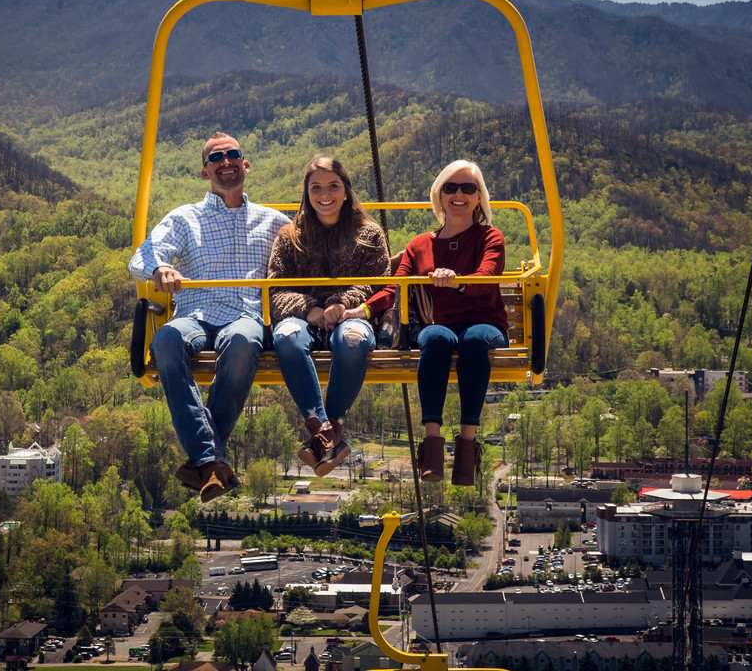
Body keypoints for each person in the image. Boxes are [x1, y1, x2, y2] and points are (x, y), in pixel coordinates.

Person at [129, 132, 289, 502]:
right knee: (166, 340)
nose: (225, 162)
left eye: (232, 154)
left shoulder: (274, 222)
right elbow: (143, 255)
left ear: (245, 164)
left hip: (245, 314)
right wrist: (160, 269)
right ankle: (213, 460)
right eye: (216, 158)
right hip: (196, 313)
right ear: (205, 172)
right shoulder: (185, 218)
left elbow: (309, 252)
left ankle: (204, 460)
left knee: (242, 342)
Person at [342, 160, 507, 486]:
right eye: (450, 188)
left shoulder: (490, 237)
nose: (459, 195)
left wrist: (457, 281)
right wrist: (365, 310)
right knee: (434, 338)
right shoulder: (420, 245)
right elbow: (396, 287)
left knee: (474, 340)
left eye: (468, 188)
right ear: (439, 194)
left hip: (485, 322)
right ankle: (431, 446)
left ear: (479, 197)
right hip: (441, 323)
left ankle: (467, 447)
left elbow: (487, 276)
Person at [268, 155, 390, 476]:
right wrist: (310, 309)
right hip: (303, 317)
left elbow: (378, 283)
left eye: (333, 186)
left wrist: (341, 303)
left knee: (353, 339)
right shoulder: (289, 237)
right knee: (286, 337)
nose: (325, 194)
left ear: (346, 191)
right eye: (316, 187)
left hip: (351, 316)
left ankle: (324, 436)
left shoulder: (369, 235)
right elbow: (276, 289)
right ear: (306, 193)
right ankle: (328, 434)